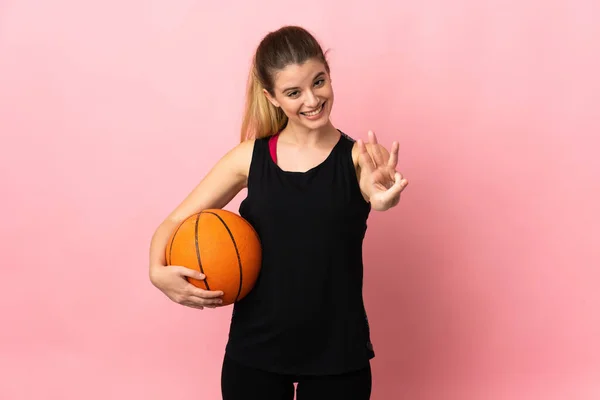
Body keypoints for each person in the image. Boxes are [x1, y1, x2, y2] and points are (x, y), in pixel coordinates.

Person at [148, 25, 408, 400]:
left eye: (319, 82)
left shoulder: (361, 158)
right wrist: (157, 272)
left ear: (329, 76)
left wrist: (382, 198)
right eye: (293, 92)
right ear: (271, 97)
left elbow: (377, 190)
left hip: (338, 354)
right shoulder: (248, 158)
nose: (311, 99)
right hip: (255, 353)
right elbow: (175, 222)